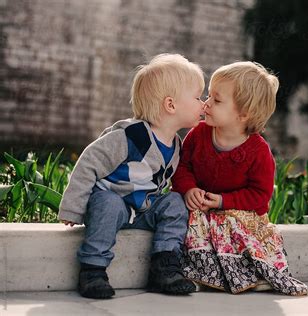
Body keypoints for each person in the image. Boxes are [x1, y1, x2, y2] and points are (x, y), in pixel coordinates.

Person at [58, 53, 205, 299]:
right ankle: (93, 271)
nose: (204, 103)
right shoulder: (130, 136)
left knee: (174, 202)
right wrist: (73, 207)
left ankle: (165, 266)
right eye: (198, 97)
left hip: (142, 210)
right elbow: (89, 163)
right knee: (109, 202)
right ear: (171, 105)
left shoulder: (177, 144)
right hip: (110, 206)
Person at [172, 61, 308, 296]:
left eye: (217, 100)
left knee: (238, 227)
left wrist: (223, 201)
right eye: (208, 96)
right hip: (200, 209)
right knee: (186, 218)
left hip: (236, 211)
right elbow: (182, 167)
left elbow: (259, 196)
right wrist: (188, 189)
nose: (206, 103)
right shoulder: (199, 134)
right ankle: (195, 271)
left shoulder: (258, 151)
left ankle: (248, 272)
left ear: (243, 114)